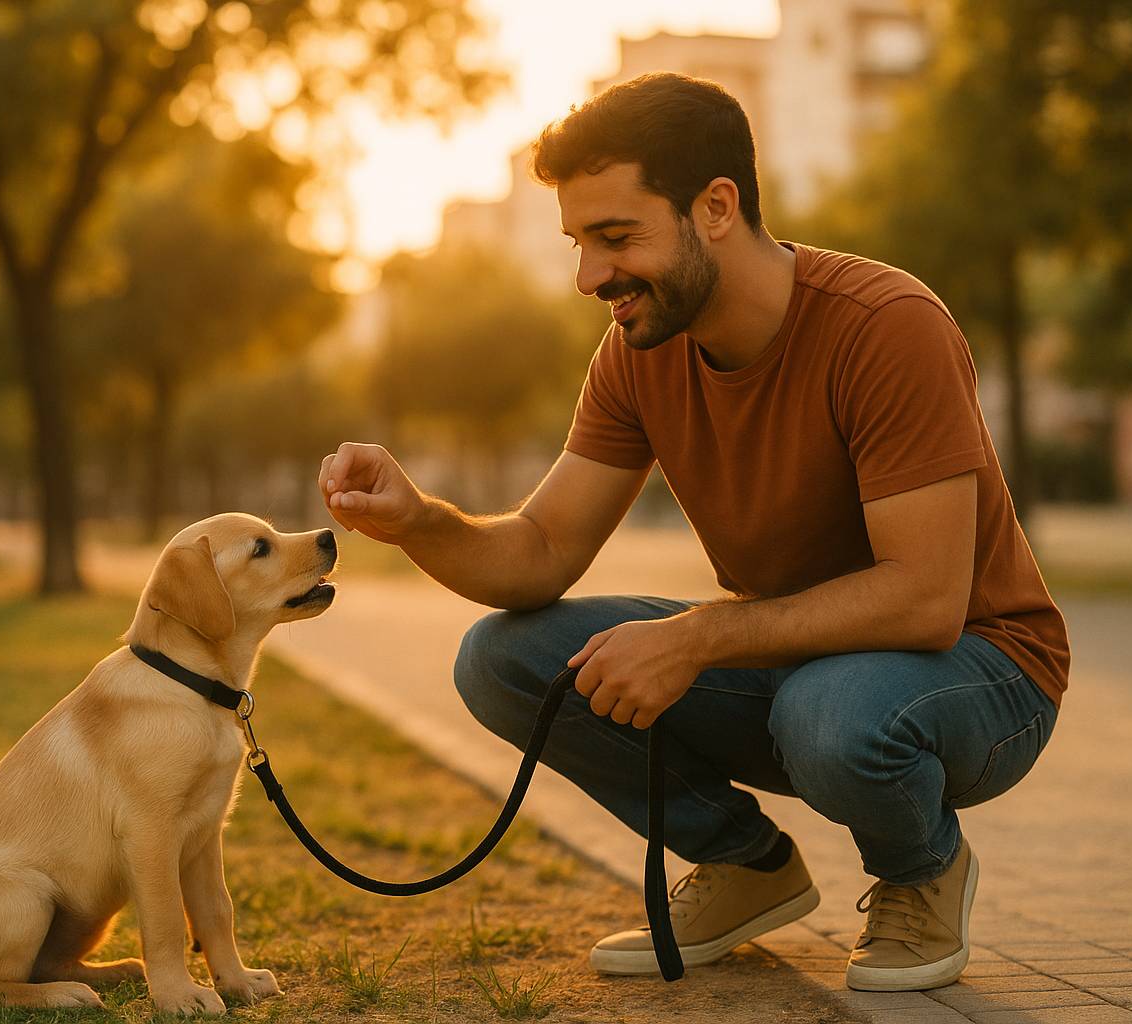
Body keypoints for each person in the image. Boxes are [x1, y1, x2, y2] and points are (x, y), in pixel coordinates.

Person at [316, 72, 1068, 994]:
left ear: (716, 207)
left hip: (983, 668)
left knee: (826, 715)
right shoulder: (641, 350)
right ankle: (745, 866)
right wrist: (420, 520)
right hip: (805, 661)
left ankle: (922, 871)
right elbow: (543, 552)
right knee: (505, 659)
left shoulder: (887, 327)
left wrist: (697, 637)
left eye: (615, 236)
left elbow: (924, 597)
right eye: (578, 242)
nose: (590, 276)